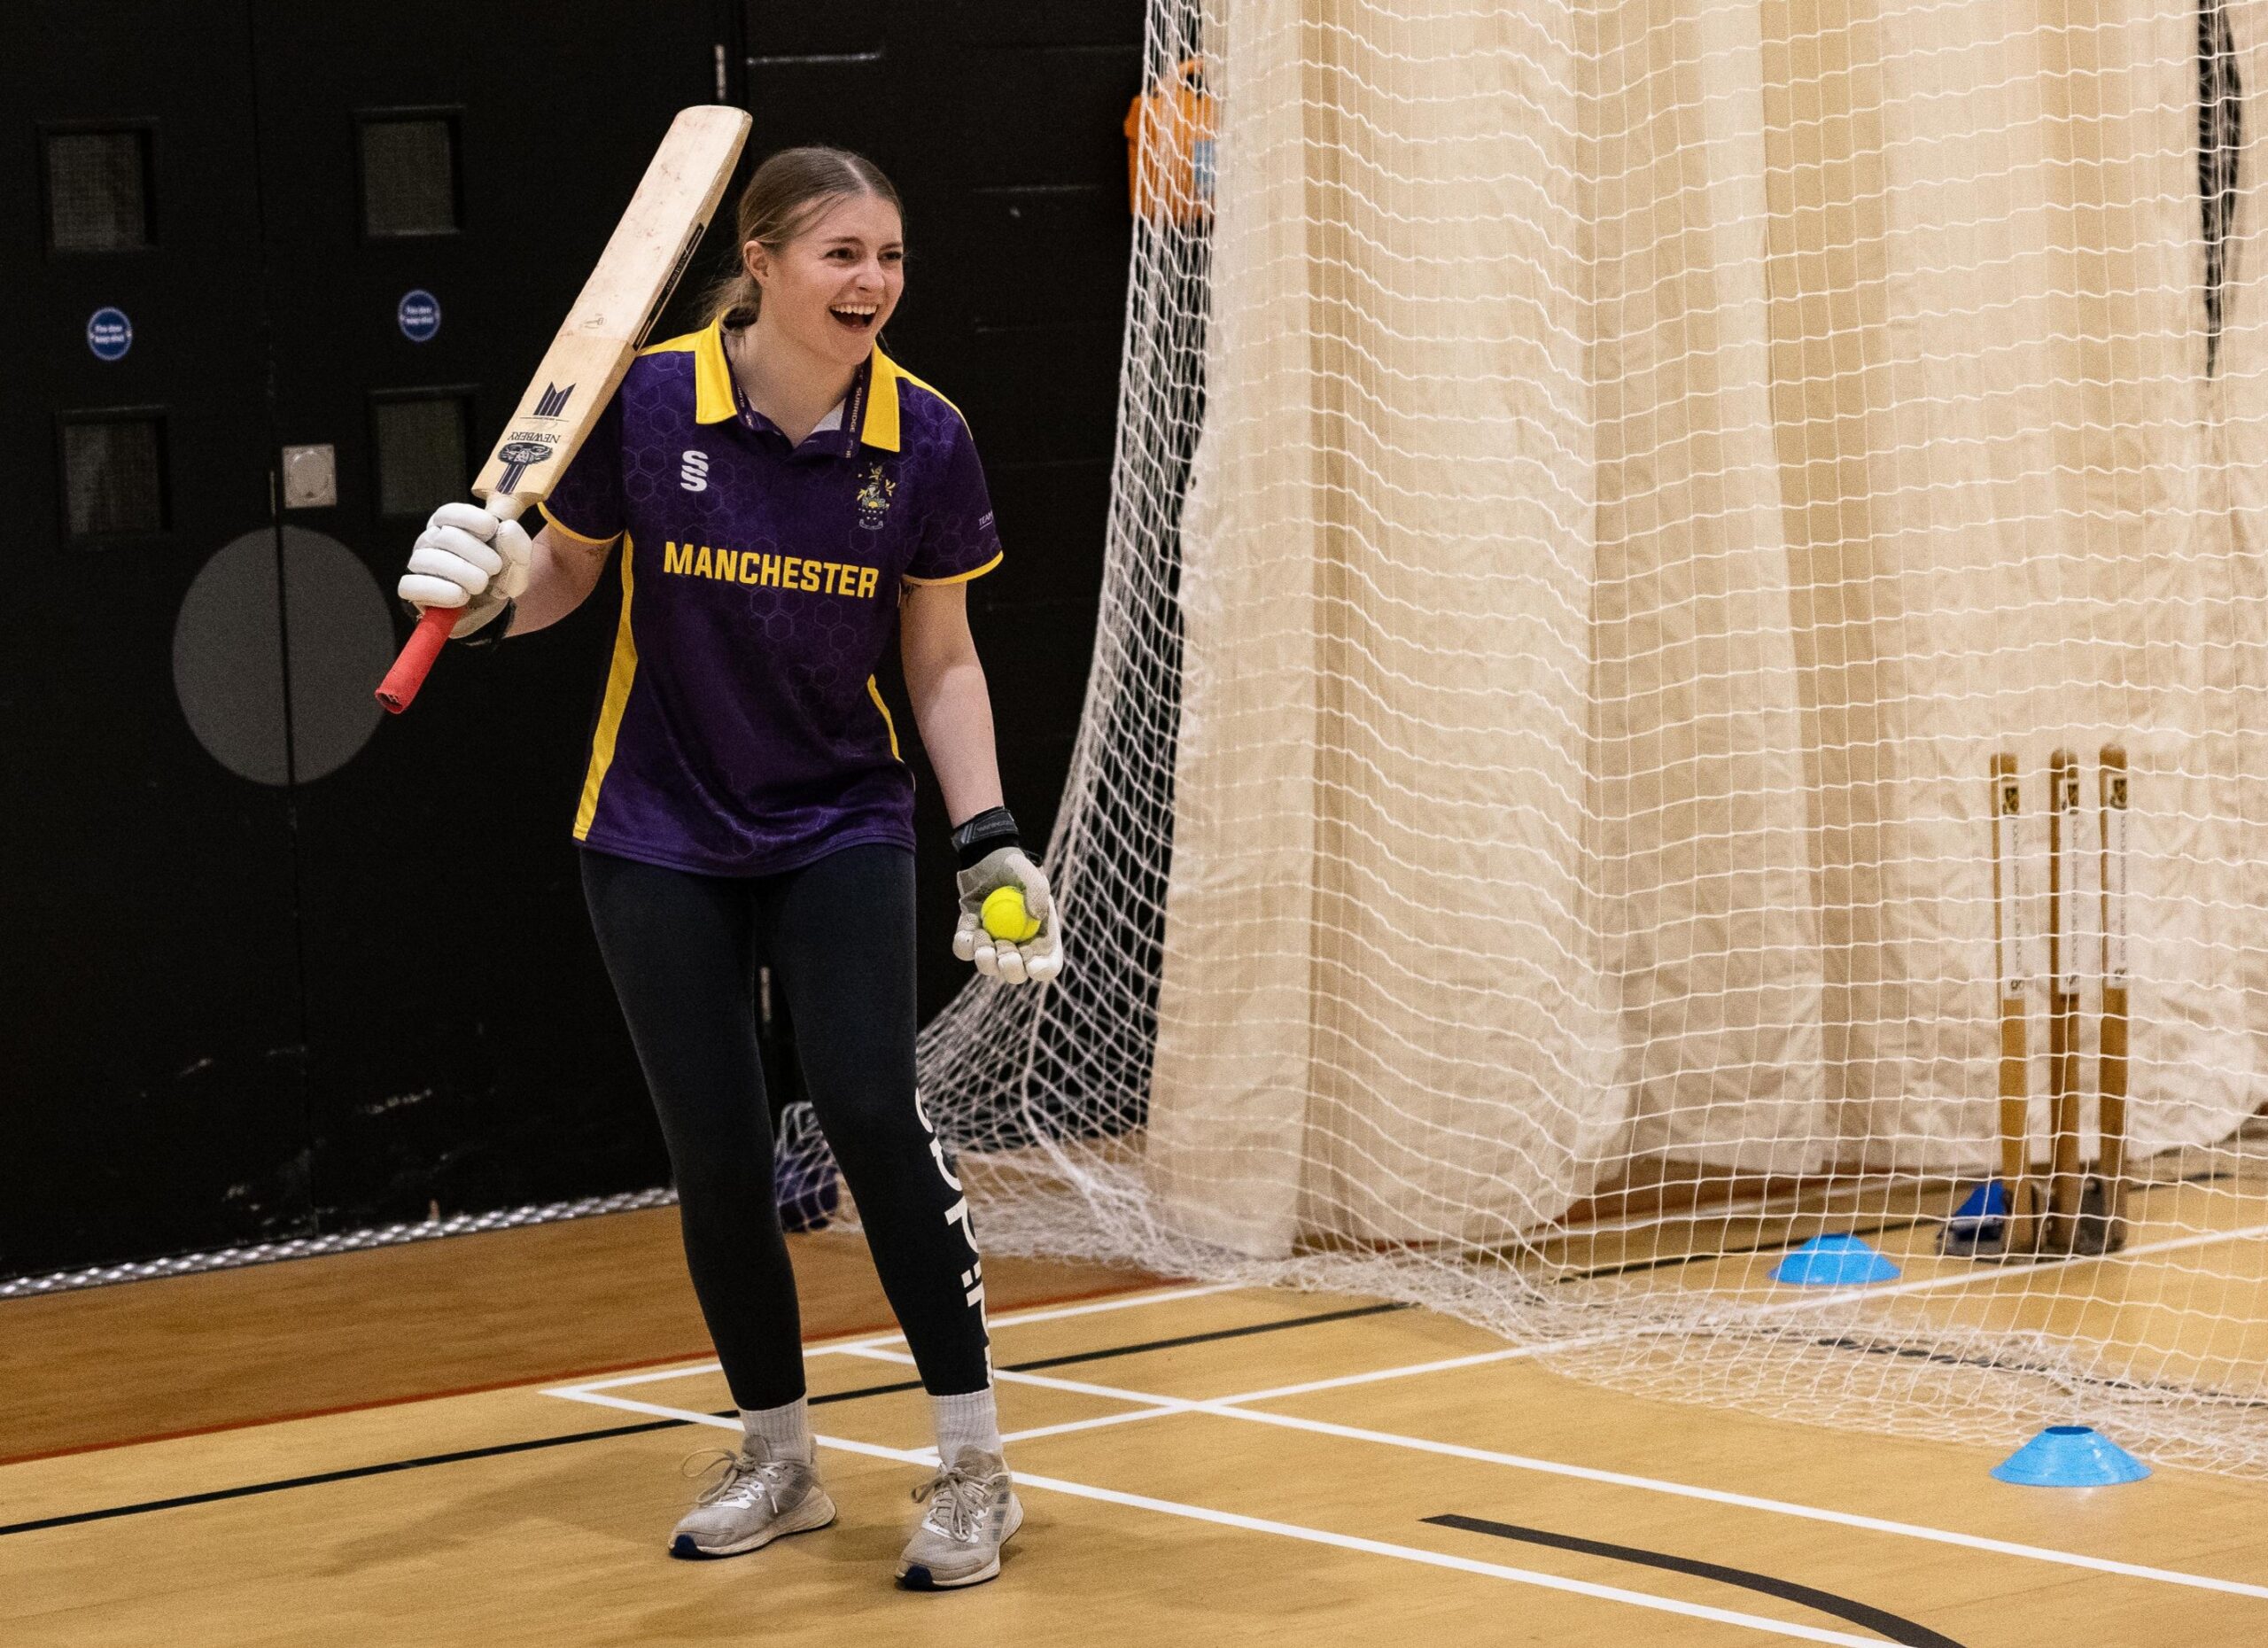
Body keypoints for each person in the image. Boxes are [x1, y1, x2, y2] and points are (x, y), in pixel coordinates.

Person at [396, 145, 1062, 1591]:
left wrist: (989, 835)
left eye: (889, 254)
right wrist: (498, 590)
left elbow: (939, 656)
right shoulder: (647, 399)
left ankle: (972, 1465)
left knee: (875, 1119)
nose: (873, 281)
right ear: (758, 262)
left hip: (839, 823)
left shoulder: (925, 438)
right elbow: (570, 574)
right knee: (718, 1159)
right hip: (656, 830)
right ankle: (781, 1454)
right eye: (841, 253)